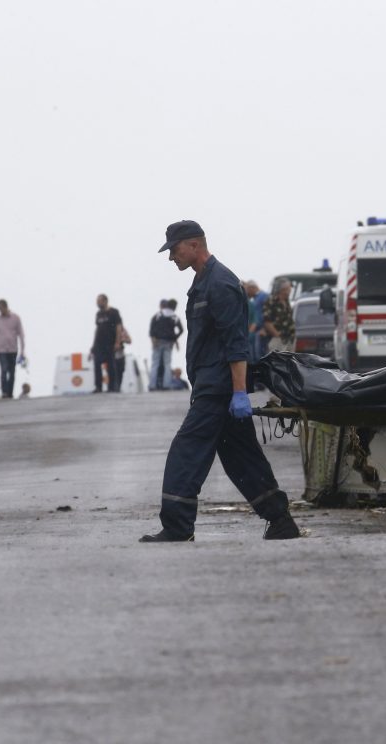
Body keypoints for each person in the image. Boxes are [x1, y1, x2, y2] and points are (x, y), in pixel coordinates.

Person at [140, 219, 300, 542]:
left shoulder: (221, 284)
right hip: (213, 387)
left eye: (174, 249)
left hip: (219, 390)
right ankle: (280, 520)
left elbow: (236, 345)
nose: (172, 257)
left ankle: (177, 525)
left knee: (186, 451)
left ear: (194, 245)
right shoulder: (203, 283)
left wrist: (239, 393)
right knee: (242, 457)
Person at [0, 299, 25, 399]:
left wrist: (22, 351)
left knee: (12, 371)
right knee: (3, 370)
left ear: (5, 307)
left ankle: (10, 393)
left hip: (12, 349)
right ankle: (4, 392)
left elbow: (21, 334)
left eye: (1, 308)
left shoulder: (15, 318)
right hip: (1, 349)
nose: (0, 311)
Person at [91, 294, 124, 393]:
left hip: (110, 343)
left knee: (111, 366)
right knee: (97, 365)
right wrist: (93, 345)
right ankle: (98, 387)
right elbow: (97, 329)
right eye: (97, 301)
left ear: (105, 301)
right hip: (99, 344)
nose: (97, 303)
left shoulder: (114, 312)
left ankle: (112, 387)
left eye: (99, 301)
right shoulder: (98, 314)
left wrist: (117, 342)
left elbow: (119, 327)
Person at [149, 299, 184, 390]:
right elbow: (181, 330)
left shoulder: (158, 314)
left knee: (155, 363)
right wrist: (174, 338)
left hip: (158, 341)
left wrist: (153, 339)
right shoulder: (174, 316)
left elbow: (152, 328)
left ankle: (152, 385)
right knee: (167, 364)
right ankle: (166, 385)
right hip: (169, 342)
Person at [262, 278, 295, 352]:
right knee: (276, 361)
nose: (290, 290)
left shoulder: (286, 301)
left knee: (289, 361)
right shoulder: (271, 301)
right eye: (289, 288)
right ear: (283, 289)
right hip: (277, 339)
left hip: (289, 338)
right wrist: (277, 335)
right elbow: (267, 322)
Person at [245, 280, 269, 362]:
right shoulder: (255, 299)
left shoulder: (263, 296)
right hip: (255, 331)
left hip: (261, 331)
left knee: (260, 355)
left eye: (247, 289)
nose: (247, 292)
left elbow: (267, 314)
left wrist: (264, 328)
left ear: (252, 288)